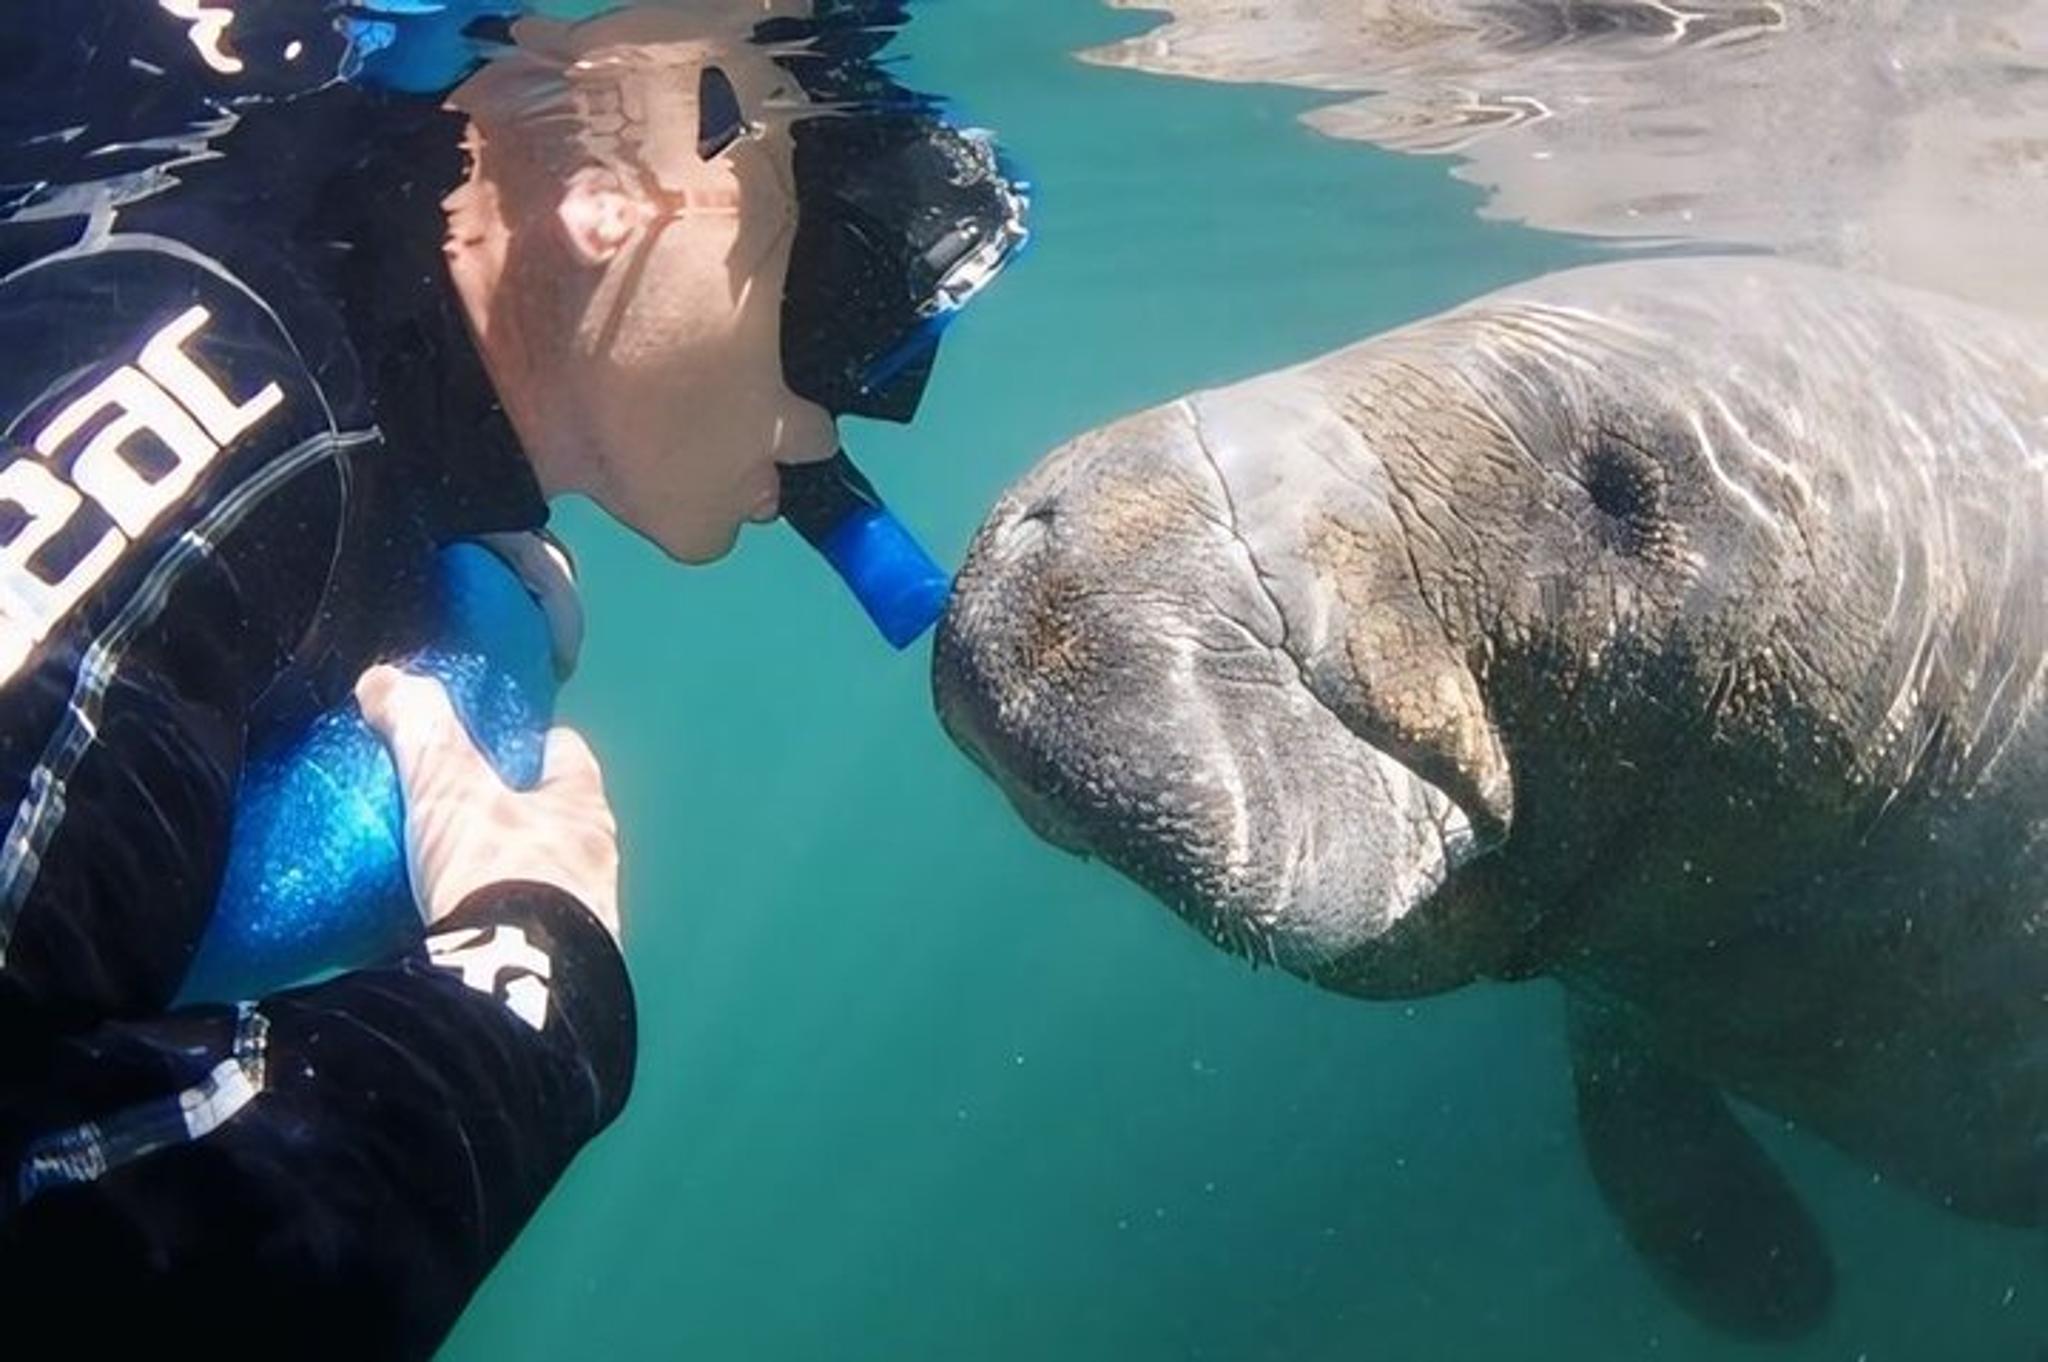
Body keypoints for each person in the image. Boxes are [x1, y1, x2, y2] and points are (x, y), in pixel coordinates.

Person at [0, 0, 1025, 1354]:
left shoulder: (362, 406)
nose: (846, 405)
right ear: (614, 190)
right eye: (842, 289)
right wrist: (523, 993)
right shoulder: (223, 401)